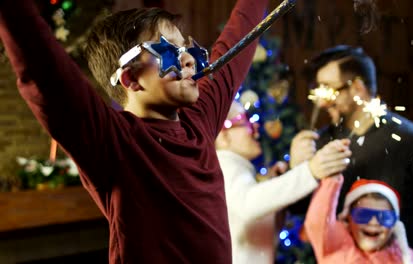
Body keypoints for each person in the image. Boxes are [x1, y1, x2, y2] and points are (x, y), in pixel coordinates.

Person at [0, 0, 269, 263]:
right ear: (130, 78)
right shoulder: (112, 142)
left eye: (185, 48)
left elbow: (240, 33)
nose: (189, 59)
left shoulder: (199, 119)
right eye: (167, 51)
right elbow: (43, 65)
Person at [289, 45, 413, 264]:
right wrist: (298, 171)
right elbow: (304, 212)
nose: (321, 102)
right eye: (319, 91)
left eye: (329, 90)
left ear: (356, 88)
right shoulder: (324, 142)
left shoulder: (409, 141)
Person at [215, 101, 352, 264]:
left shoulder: (236, 169)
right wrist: (310, 170)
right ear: (224, 137)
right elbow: (247, 204)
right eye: (246, 121)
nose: (256, 127)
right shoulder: (225, 165)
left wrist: (279, 180)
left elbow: (254, 227)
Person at [304, 175, 413, 264]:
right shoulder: (336, 243)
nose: (374, 222)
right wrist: (331, 180)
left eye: (384, 217)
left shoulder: (403, 255)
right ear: (348, 217)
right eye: (363, 215)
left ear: (394, 225)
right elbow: (317, 223)